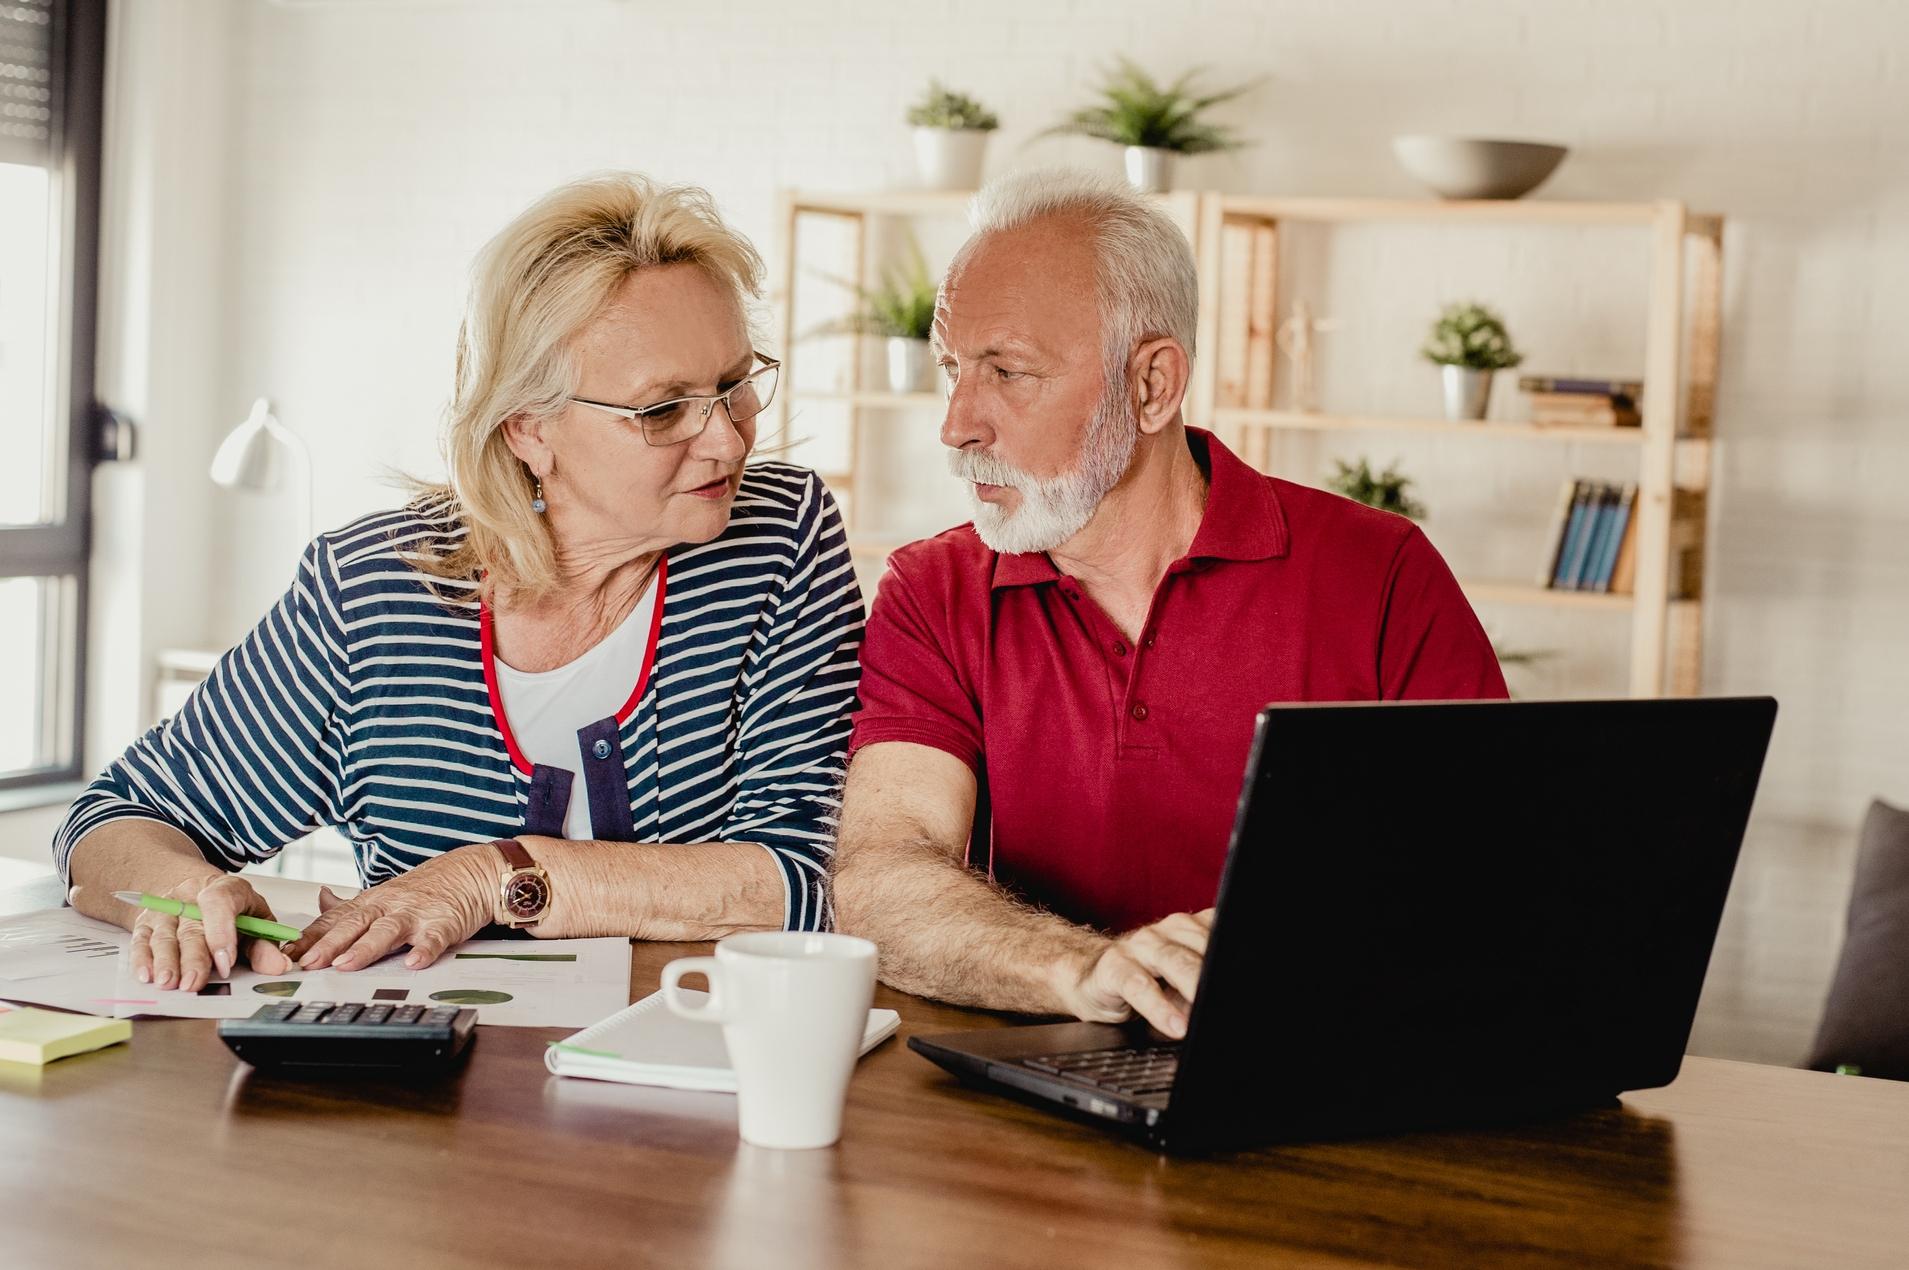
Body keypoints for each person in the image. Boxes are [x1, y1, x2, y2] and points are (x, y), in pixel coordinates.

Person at [56, 172, 864, 992]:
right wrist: (187, 894)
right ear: (528, 426)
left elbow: (809, 877)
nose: (728, 441)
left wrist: (492, 877)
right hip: (425, 1084)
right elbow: (119, 816)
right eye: (663, 410)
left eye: (735, 386)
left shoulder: (778, 536)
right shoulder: (370, 591)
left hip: (685, 1072)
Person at [830, 169, 1506, 1040]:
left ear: (1151, 385)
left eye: (1007, 372)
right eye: (953, 370)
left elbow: (1478, 879)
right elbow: (882, 877)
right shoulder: (934, 590)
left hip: (1316, 1067)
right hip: (1032, 1095)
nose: (957, 424)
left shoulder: (1381, 574)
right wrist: (1081, 970)